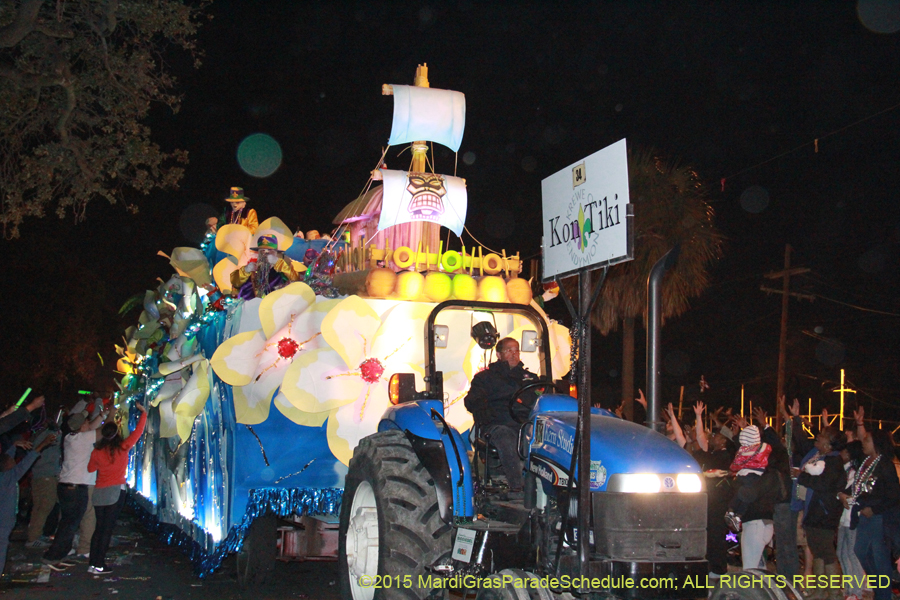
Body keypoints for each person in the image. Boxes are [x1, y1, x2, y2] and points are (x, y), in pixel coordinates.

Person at [463, 337, 539, 496]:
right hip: (497, 424)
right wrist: (484, 412)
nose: (514, 354)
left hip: (524, 424)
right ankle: (517, 488)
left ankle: (545, 488)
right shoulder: (485, 378)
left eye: (516, 350)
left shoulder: (530, 378)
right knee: (506, 436)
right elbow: (472, 401)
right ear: (498, 354)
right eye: (509, 350)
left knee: (542, 436)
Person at [42, 406, 110, 570]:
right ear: (82, 427)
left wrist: (103, 414)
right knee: (70, 524)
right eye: (86, 422)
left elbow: (92, 427)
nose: (89, 423)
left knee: (67, 522)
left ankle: (60, 553)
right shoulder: (82, 439)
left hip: (67, 487)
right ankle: (53, 556)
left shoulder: (72, 437)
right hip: (75, 489)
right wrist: (111, 417)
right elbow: (104, 430)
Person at [86, 404, 147, 575]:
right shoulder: (123, 448)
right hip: (114, 492)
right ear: (116, 433)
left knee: (99, 528)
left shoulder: (97, 451)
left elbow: (90, 469)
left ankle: (93, 562)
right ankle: (99, 564)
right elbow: (138, 432)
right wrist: (144, 414)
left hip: (99, 492)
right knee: (107, 529)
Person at [842, 429, 900, 600]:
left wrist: (874, 510)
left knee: (879, 557)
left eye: (867, 440)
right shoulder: (866, 462)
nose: (863, 443)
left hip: (880, 518)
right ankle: (882, 589)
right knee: (861, 552)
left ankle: (883, 594)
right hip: (865, 516)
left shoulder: (885, 465)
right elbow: (857, 487)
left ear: (877, 444)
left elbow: (894, 496)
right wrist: (842, 494)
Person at [796, 426, 846, 600]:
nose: (818, 436)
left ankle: (834, 593)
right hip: (816, 511)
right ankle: (820, 591)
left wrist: (801, 477)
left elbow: (823, 484)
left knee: (826, 553)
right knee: (818, 551)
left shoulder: (833, 461)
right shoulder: (824, 457)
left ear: (829, 444)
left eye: (823, 435)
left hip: (824, 513)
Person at [1, 434, 57, 576]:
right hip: (4, 520)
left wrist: (14, 446)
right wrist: (43, 444)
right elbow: (27, 461)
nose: (14, 462)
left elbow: (6, 458)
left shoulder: (5, 474)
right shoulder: (9, 477)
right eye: (12, 461)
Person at [230, 234, 301, 299]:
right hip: (250, 307)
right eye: (262, 250)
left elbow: (295, 279)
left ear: (276, 252)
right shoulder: (253, 268)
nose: (266, 253)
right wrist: (246, 270)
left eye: (270, 250)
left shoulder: (282, 269)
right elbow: (235, 282)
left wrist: (278, 263)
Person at [25, 422, 61, 549]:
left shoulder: (39, 434)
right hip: (46, 475)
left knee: (39, 507)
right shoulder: (50, 436)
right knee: (44, 506)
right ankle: (33, 537)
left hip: (38, 475)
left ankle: (34, 534)